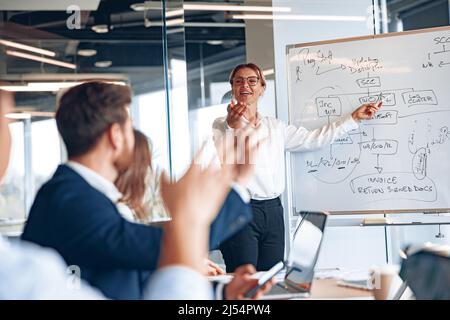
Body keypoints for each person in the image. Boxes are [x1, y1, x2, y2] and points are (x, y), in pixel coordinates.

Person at [0, 89, 272, 300]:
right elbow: (172, 243)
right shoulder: (71, 200)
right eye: (130, 127)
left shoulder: (78, 194)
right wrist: (236, 183)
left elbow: (132, 272)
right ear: (115, 135)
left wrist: (221, 295)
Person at [213, 63, 382, 272]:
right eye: (238, 81)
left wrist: (353, 119)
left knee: (272, 277)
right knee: (242, 279)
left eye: (252, 81)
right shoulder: (222, 125)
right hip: (240, 210)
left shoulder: (275, 127)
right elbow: (227, 158)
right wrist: (233, 126)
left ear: (262, 88)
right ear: (233, 88)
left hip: (273, 211)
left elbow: (314, 139)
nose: (245, 85)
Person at [115, 129, 225, 276]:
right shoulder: (118, 213)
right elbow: (135, 263)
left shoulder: (122, 209)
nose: (148, 171)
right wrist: (187, 263)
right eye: (145, 163)